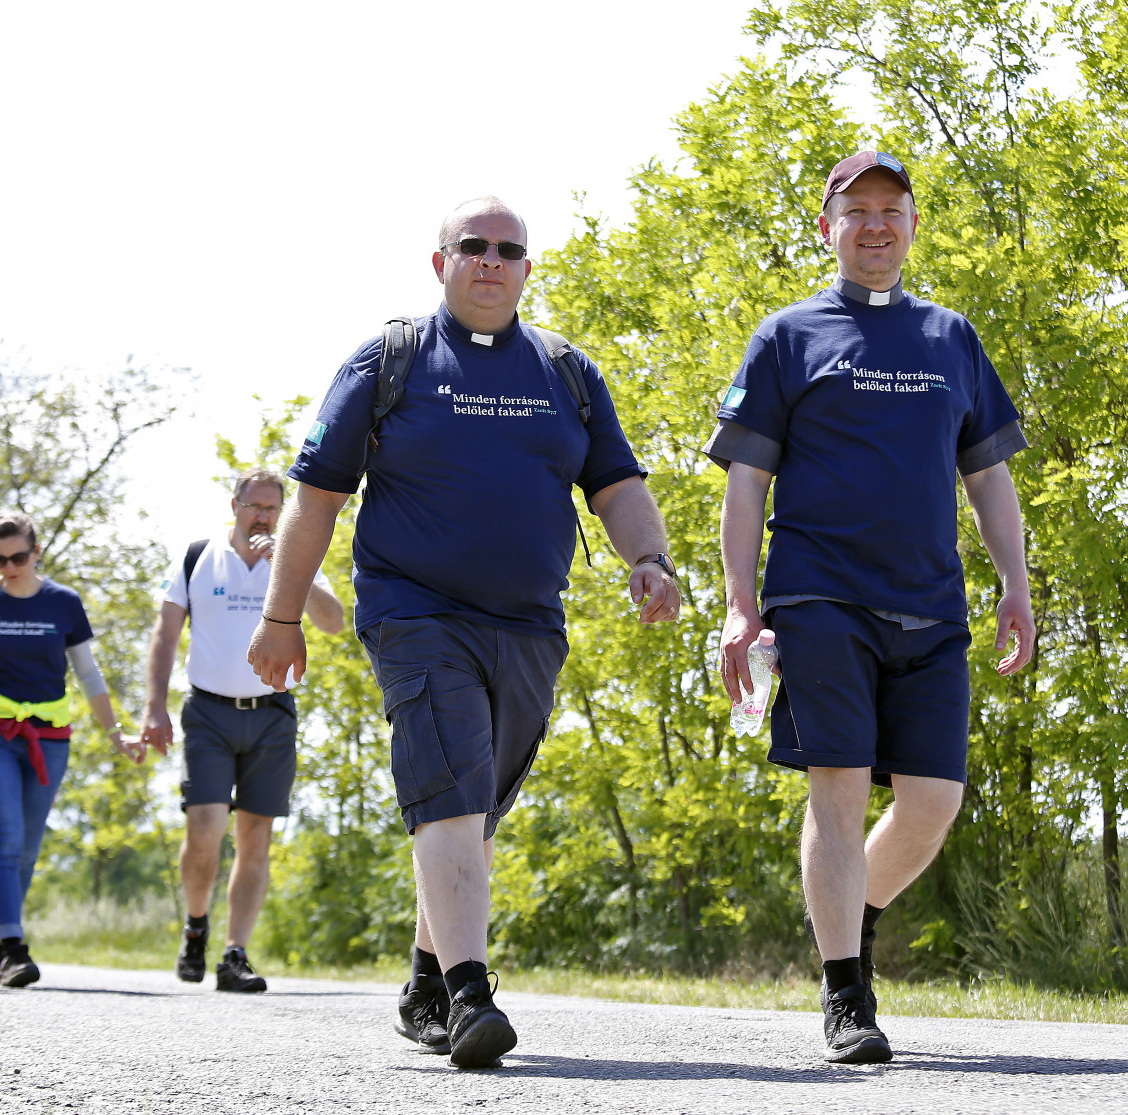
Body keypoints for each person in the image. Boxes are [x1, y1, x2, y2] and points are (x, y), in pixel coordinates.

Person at [248, 197, 681, 1068]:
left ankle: (423, 982)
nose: (491, 260)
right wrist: (281, 616)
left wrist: (652, 558)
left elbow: (616, 484)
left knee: (472, 807)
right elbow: (318, 499)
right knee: (447, 784)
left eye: (508, 249)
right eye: (473, 246)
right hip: (415, 611)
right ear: (439, 262)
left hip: (529, 623)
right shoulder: (390, 359)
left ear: (527, 267)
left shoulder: (566, 370)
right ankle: (471, 994)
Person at [706, 151, 1036, 1064]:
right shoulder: (788, 336)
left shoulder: (950, 338)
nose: (877, 225)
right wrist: (741, 603)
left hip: (932, 605)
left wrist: (1015, 581)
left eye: (892, 210)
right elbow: (746, 483)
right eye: (857, 212)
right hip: (820, 599)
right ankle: (847, 991)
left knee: (934, 801)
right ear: (828, 227)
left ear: (914, 224)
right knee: (839, 787)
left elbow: (988, 475)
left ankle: (848, 917)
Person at [141, 469, 344, 991]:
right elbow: (165, 637)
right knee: (204, 829)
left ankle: (234, 954)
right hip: (208, 711)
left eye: (272, 509)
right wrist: (154, 707)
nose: (262, 517)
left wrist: (286, 563)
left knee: (256, 839)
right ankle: (195, 924)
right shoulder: (197, 556)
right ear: (234, 504)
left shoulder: (292, 556)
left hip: (273, 713)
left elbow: (334, 621)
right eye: (254, 506)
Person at [0, 510, 145, 988]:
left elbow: (88, 674)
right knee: (5, 836)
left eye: (17, 557)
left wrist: (116, 732)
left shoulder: (64, 603)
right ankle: (14, 948)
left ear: (37, 553)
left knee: (28, 847)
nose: (7, 567)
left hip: (50, 736)